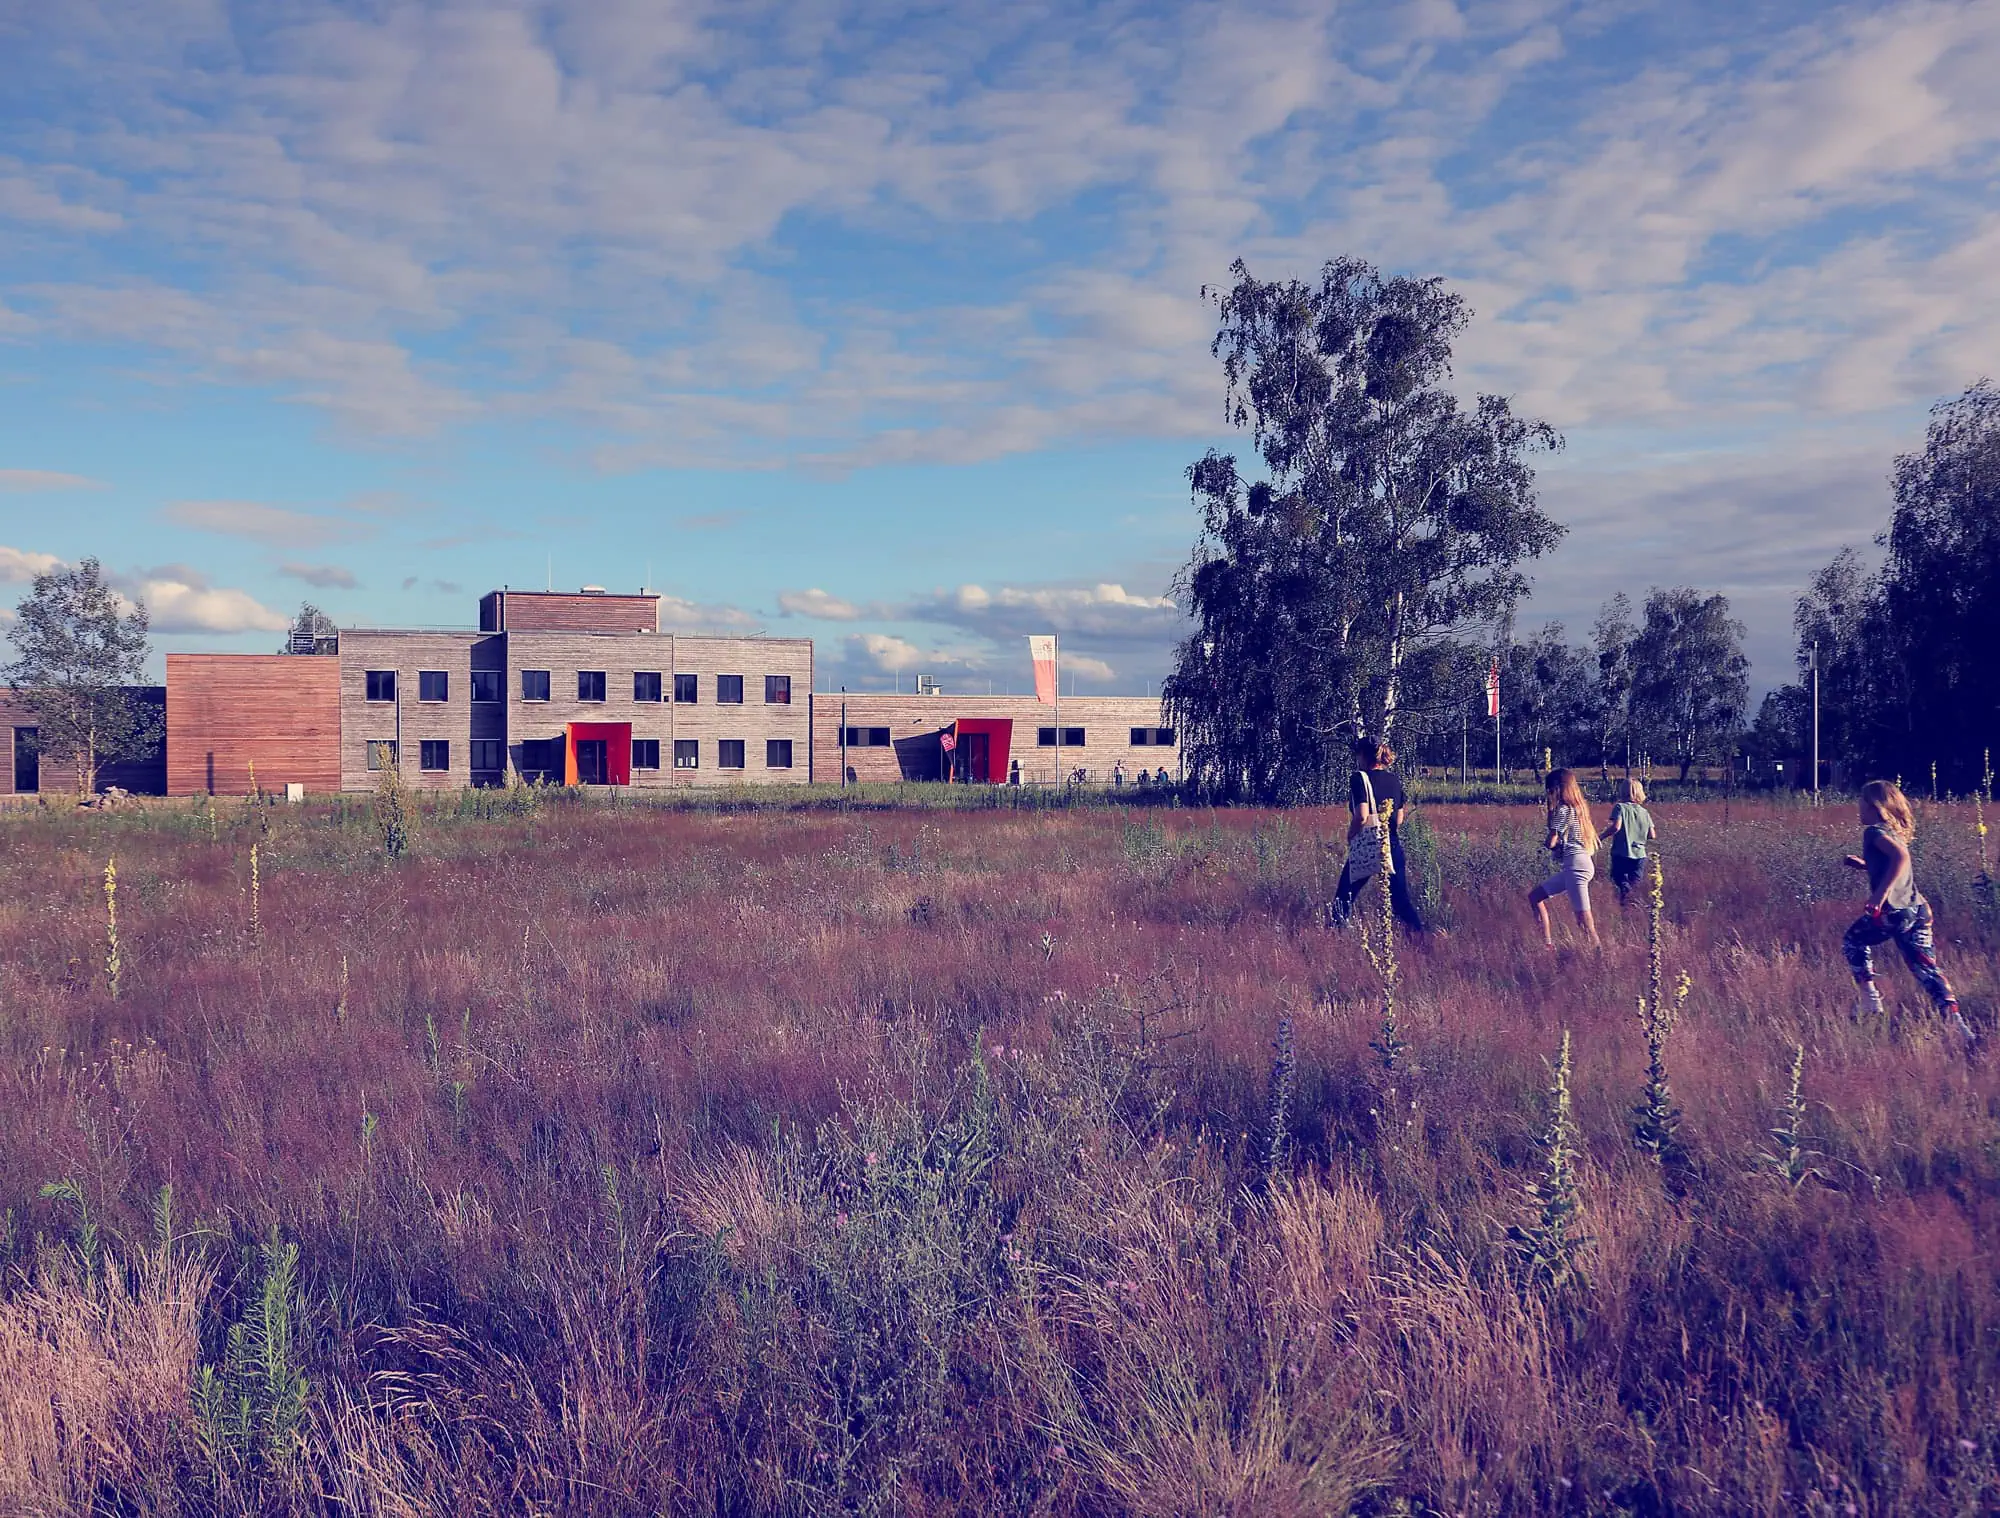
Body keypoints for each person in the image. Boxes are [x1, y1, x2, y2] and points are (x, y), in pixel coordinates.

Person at [1841, 780, 1967, 1035]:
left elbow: (1901, 858)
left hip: (1894, 912)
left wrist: (1879, 896)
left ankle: (1870, 1001)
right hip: (1917, 910)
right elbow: (1894, 862)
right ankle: (1961, 1029)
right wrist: (1866, 865)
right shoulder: (1892, 831)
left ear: (1874, 805)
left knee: (1852, 941)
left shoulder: (1874, 832)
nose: (1859, 808)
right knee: (1926, 969)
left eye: (1862, 803)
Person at [1333, 737, 1426, 932]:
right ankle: (1421, 940)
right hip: (1391, 843)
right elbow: (1399, 818)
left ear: (1363, 755)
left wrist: (1350, 836)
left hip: (1367, 843)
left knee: (1344, 897)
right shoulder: (1394, 779)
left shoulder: (1359, 778)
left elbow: (1362, 815)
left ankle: (1334, 937)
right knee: (1401, 902)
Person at [1529, 768, 1600, 948]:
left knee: (1583, 919)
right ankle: (1547, 946)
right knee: (1535, 896)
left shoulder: (1563, 809)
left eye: (1549, 789)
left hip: (1576, 867)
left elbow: (1552, 840)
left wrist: (1545, 845)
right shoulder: (1579, 808)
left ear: (1556, 788)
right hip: (1579, 864)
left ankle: (1598, 955)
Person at [1603, 777, 1655, 907]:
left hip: (1621, 852)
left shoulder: (1620, 807)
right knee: (1635, 883)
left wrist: (1601, 837)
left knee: (1619, 878)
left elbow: (1616, 827)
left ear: (1623, 792)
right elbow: (1652, 835)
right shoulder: (1644, 812)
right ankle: (1632, 907)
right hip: (1640, 855)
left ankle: (1628, 903)